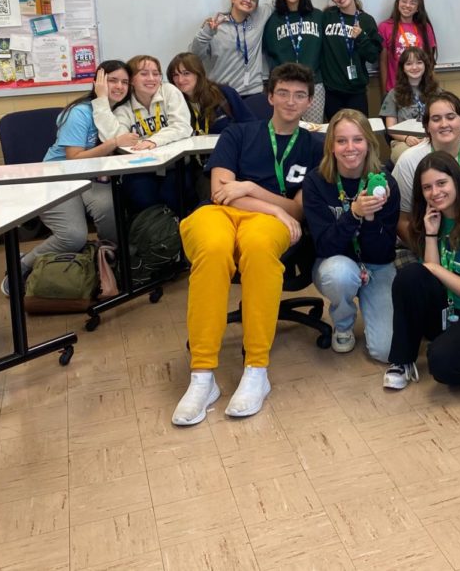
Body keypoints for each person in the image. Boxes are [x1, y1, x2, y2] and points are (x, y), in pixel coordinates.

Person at [173, 62, 324, 425]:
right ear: (270, 96)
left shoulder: (315, 147)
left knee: (257, 249)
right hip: (220, 214)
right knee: (211, 249)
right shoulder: (238, 134)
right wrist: (272, 205)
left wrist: (251, 189)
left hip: (268, 224)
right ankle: (202, 376)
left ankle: (256, 370)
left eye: (299, 95)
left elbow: (299, 212)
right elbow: (220, 193)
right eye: (283, 93)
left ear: (309, 102)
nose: (290, 101)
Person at [9, 62, 134, 296]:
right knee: (73, 237)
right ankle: (23, 265)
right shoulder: (80, 112)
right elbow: (73, 158)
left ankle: (106, 262)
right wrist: (114, 142)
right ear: (98, 83)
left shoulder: (119, 113)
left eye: (125, 82)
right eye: (112, 80)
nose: (119, 86)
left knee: (112, 209)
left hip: (91, 179)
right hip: (58, 177)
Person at [383, 152, 460, 389]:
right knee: (410, 276)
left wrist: (436, 270)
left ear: (456, 182)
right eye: (427, 187)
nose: (435, 192)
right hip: (447, 308)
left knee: (442, 364)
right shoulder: (432, 219)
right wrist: (430, 233)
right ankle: (401, 361)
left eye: (441, 183)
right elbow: (428, 275)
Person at [301, 111, 399, 359]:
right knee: (340, 274)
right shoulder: (315, 182)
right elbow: (323, 246)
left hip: (376, 264)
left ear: (369, 143)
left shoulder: (385, 182)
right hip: (335, 262)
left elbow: (383, 251)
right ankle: (343, 324)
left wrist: (369, 217)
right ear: (331, 147)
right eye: (341, 141)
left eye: (357, 139)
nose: (350, 148)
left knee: (386, 351)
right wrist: (353, 213)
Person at [392, 91, 460, 243]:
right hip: (427, 243)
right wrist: (427, 253)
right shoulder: (409, 161)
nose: (444, 124)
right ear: (426, 126)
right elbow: (402, 220)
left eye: (451, 117)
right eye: (436, 119)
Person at [92, 53, 193, 212]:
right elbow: (114, 138)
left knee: (174, 196)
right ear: (132, 79)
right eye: (144, 74)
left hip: (175, 165)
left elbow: (182, 126)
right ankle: (152, 235)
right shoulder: (124, 106)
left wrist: (153, 141)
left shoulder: (169, 91)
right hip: (142, 168)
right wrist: (102, 100)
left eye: (156, 73)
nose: (151, 78)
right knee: (144, 198)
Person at [262, 0, 325, 122]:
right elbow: (269, 52)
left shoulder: (317, 16)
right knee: (284, 129)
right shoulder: (273, 20)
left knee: (313, 131)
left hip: (313, 84)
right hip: (283, 86)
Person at [189, 0, 271, 97]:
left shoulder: (259, 17)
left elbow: (280, 0)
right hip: (221, 93)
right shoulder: (215, 24)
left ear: (256, 5)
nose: (248, 0)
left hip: (253, 92)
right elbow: (195, 56)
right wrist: (207, 32)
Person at [319, 0, 381, 118]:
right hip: (332, 90)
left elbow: (373, 56)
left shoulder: (367, 20)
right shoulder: (327, 16)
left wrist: (361, 37)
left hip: (356, 91)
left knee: (360, 132)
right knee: (335, 134)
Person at [166, 52, 253, 135]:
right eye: (175, 75)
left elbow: (251, 125)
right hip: (193, 149)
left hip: (228, 147)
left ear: (198, 74)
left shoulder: (224, 93)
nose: (180, 80)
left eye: (186, 73)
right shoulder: (173, 103)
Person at [380, 46, 440, 163]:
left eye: (419, 63)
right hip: (403, 141)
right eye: (409, 64)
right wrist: (406, 138)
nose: (414, 67)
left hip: (432, 138)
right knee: (409, 159)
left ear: (425, 66)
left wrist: (430, 137)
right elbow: (391, 128)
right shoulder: (394, 94)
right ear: (403, 68)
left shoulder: (436, 91)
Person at [377, 0, 437, 92]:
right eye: (404, 1)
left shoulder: (425, 27)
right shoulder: (385, 27)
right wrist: (384, 92)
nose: (407, 5)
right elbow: (383, 62)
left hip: (421, 88)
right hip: (395, 89)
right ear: (397, 3)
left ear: (418, 8)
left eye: (413, 3)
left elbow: (429, 60)